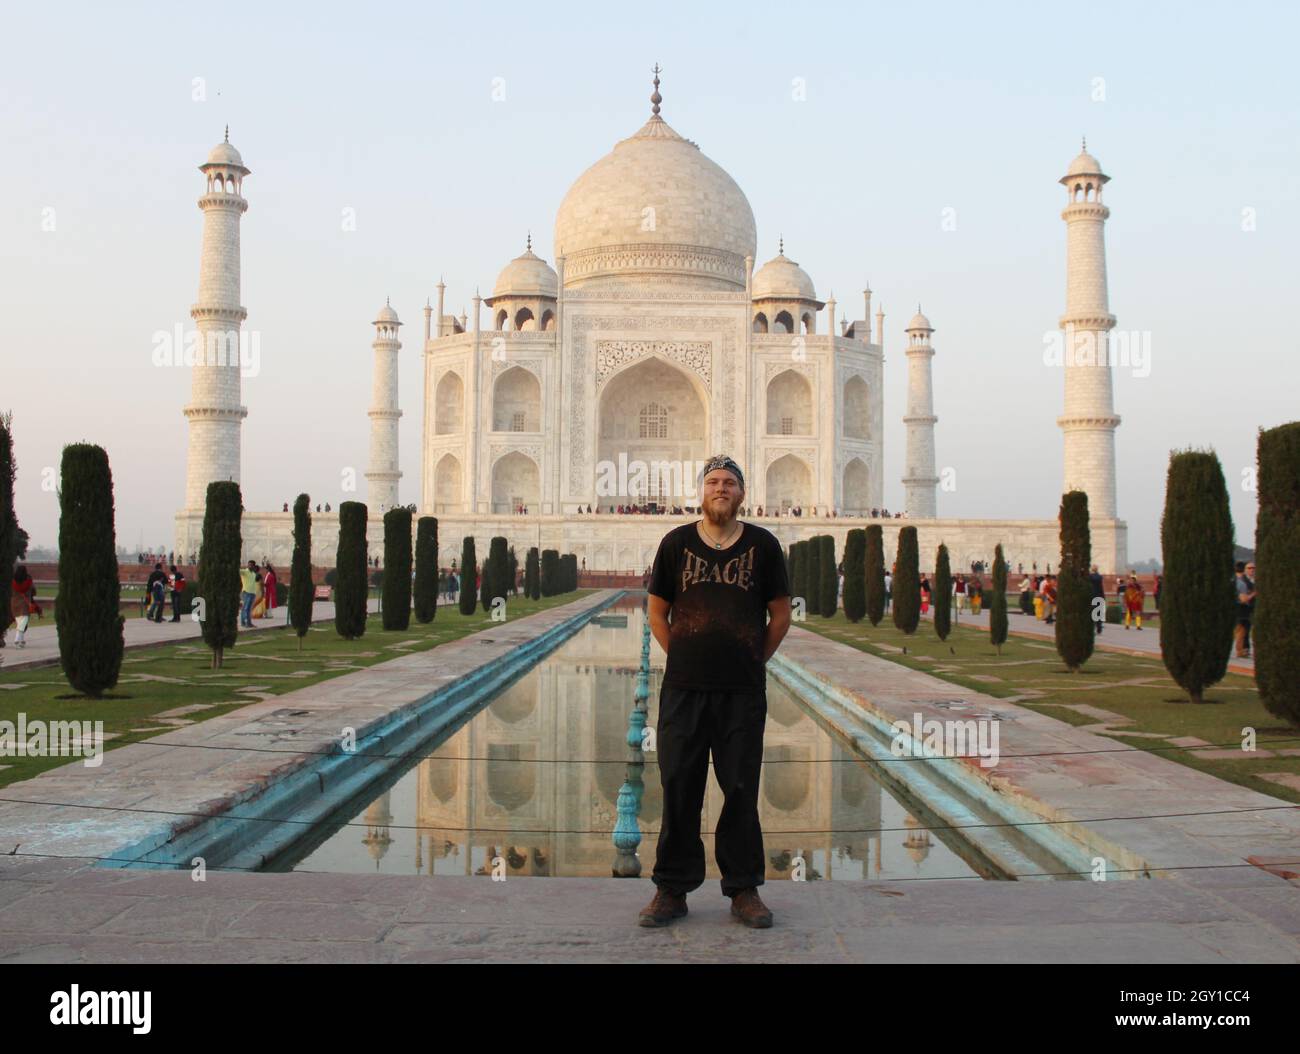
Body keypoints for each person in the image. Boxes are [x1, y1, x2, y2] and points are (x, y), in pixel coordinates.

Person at [641, 454, 790, 929]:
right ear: (701, 492)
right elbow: (656, 613)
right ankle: (671, 889)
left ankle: (744, 889)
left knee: (741, 788)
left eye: (729, 482)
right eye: (713, 482)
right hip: (685, 689)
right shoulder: (676, 544)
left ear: (742, 493)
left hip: (741, 691)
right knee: (679, 785)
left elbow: (781, 615)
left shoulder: (764, 546)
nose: (720, 488)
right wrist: (682, 656)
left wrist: (752, 659)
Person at [9, 565, 36, 648]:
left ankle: (21, 640)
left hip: (15, 603)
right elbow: (34, 591)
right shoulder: (29, 581)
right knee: (23, 623)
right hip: (25, 603)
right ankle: (17, 639)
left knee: (20, 622)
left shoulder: (13, 581)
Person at [1234, 561, 1256, 657]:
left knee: (1240, 630)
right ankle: (1241, 650)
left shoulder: (1232, 580)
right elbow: (1243, 599)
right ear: (1244, 569)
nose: (1252, 570)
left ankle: (1242, 650)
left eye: (1253, 568)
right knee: (1242, 631)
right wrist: (1254, 594)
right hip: (1242, 609)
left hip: (1235, 608)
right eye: (1249, 568)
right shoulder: (1241, 583)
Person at [239, 560, 258, 627]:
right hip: (246, 592)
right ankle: (247, 623)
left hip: (252, 593)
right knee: (246, 608)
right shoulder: (245, 572)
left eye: (251, 565)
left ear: (254, 566)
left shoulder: (254, 574)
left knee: (248, 609)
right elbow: (239, 571)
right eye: (249, 564)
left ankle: (244, 623)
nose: (249, 566)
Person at [1088, 564, 1105, 635]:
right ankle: (1099, 628)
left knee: (1092, 614)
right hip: (1099, 595)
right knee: (1099, 613)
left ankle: (1092, 629)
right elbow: (1101, 587)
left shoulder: (1090, 577)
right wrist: (1103, 596)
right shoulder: (1100, 577)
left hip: (1092, 595)